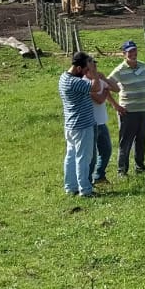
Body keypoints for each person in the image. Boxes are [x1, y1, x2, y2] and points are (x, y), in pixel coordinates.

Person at [109, 40, 145, 174]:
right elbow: (106, 86)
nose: (133, 54)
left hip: (142, 110)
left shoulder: (144, 66)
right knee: (126, 142)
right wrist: (116, 105)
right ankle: (122, 171)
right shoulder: (119, 70)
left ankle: (140, 167)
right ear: (124, 54)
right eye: (130, 52)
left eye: (134, 51)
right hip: (127, 112)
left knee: (141, 140)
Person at [58, 51, 97, 197]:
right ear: (79, 68)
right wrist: (94, 74)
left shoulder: (63, 78)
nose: (87, 72)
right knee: (83, 158)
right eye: (86, 69)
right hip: (82, 126)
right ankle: (85, 190)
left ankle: (70, 187)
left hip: (70, 125)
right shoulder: (75, 82)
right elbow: (95, 87)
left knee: (70, 157)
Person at [85, 56, 123, 187]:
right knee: (92, 155)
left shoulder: (99, 80)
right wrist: (105, 89)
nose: (95, 67)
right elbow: (100, 99)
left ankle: (99, 175)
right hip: (90, 124)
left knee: (106, 150)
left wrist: (105, 79)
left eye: (95, 64)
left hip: (101, 122)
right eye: (92, 65)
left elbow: (116, 89)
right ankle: (88, 180)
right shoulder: (84, 82)